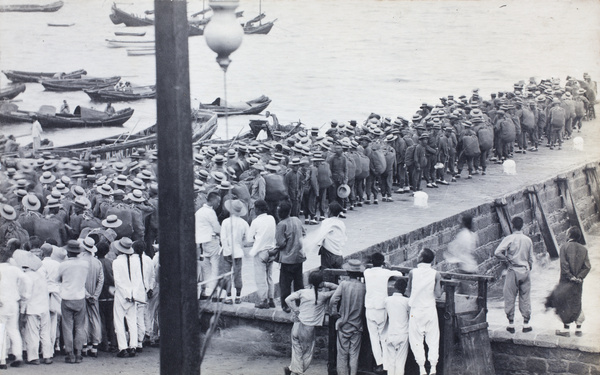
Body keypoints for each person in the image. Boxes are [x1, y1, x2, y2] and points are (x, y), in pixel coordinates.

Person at [284, 271, 337, 375]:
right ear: (321, 282)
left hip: (297, 324)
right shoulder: (323, 295)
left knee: (296, 351)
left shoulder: (303, 292)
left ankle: (291, 369)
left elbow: (287, 299)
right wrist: (325, 283)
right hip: (308, 329)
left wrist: (295, 309)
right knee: (307, 353)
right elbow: (338, 288)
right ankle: (295, 372)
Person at [546, 227, 591, 337]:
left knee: (564, 303)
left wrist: (571, 277)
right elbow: (587, 267)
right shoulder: (584, 249)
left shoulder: (564, 247)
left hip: (566, 281)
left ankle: (566, 330)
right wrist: (579, 277)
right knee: (576, 302)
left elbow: (564, 266)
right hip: (578, 282)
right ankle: (578, 329)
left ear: (569, 234)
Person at [363, 252, 403, 372]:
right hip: (381, 308)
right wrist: (388, 267)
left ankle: (379, 362)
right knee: (383, 337)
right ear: (383, 262)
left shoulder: (367, 272)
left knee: (373, 337)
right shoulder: (386, 272)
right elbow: (399, 274)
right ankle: (386, 364)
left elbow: (365, 267)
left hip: (370, 308)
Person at [494, 216, 534, 333]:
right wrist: (528, 268)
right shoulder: (528, 240)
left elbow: (497, 252)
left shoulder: (509, 238)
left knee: (510, 296)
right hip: (525, 269)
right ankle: (526, 324)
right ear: (522, 225)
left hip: (513, 269)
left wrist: (506, 260)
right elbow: (531, 258)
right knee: (525, 297)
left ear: (512, 226)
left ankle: (511, 324)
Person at [13, 250, 53, 365]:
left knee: (32, 333)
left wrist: (22, 311)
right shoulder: (41, 275)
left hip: (32, 308)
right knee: (45, 332)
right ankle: (48, 355)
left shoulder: (26, 278)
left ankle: (34, 357)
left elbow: (25, 296)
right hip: (44, 306)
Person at [406, 248, 442, 375]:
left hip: (416, 309)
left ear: (421, 258)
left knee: (416, 339)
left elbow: (408, 292)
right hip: (430, 310)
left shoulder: (412, 272)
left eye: (418, 255)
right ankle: (433, 367)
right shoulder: (436, 274)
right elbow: (438, 294)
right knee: (433, 338)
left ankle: (421, 368)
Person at [329, 259, 366, 375]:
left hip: (343, 324)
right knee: (354, 354)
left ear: (348, 273)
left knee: (342, 354)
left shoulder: (343, 285)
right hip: (357, 326)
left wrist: (334, 313)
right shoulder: (363, 287)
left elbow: (333, 300)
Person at [270, 200, 306, 313]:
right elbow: (303, 233)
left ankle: (285, 305)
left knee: (285, 284)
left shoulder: (281, 225)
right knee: (298, 282)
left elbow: (280, 243)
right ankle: (300, 303)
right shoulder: (297, 220)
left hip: (287, 259)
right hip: (299, 257)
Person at [57, 240, 90, 364]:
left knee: (67, 326)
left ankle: (70, 353)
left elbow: (57, 279)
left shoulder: (63, 265)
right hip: (80, 297)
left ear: (68, 252)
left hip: (67, 297)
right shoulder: (85, 264)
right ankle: (79, 353)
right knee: (80, 326)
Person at [112, 237, 145, 358]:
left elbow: (118, 281)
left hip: (121, 295)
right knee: (132, 321)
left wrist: (126, 294)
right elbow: (138, 280)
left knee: (119, 322)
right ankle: (133, 346)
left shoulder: (116, 262)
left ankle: (123, 347)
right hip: (133, 295)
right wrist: (133, 294)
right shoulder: (135, 261)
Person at [0, 247, 30, 369]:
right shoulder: (14, 269)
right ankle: (18, 355)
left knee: (1, 331)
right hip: (14, 302)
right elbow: (27, 280)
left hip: (1, 302)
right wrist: (25, 295)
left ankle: (2, 360)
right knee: (13, 329)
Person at [247, 200, 277, 309]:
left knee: (260, 278)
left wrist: (256, 237)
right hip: (271, 251)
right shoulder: (271, 218)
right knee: (269, 277)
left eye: (254, 208)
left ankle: (263, 300)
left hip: (260, 252)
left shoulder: (255, 222)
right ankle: (271, 299)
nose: (254, 210)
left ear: (258, 209)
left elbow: (249, 239)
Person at [219, 199, 249, 304]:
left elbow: (222, 238)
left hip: (227, 251)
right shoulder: (244, 223)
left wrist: (227, 250)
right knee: (238, 274)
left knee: (226, 274)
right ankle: (238, 296)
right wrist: (240, 245)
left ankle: (228, 296)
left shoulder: (226, 222)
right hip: (238, 252)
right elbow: (247, 239)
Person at [80, 237, 104, 358]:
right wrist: (95, 295)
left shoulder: (80, 261)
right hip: (95, 294)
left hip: (82, 294)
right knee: (95, 319)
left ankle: (85, 344)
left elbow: (78, 281)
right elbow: (101, 280)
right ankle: (94, 345)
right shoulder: (97, 262)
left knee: (83, 319)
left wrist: (87, 295)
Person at [195, 192, 221, 300]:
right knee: (215, 266)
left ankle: (206, 291)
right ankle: (214, 292)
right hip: (211, 240)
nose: (219, 203)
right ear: (213, 200)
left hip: (201, 242)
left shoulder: (199, 212)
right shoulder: (210, 212)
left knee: (205, 267)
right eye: (218, 201)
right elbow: (216, 228)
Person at [383, 278, 411, 375]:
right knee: (400, 363)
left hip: (391, 333)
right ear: (405, 289)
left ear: (394, 287)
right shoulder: (407, 301)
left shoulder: (387, 300)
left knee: (391, 362)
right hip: (403, 334)